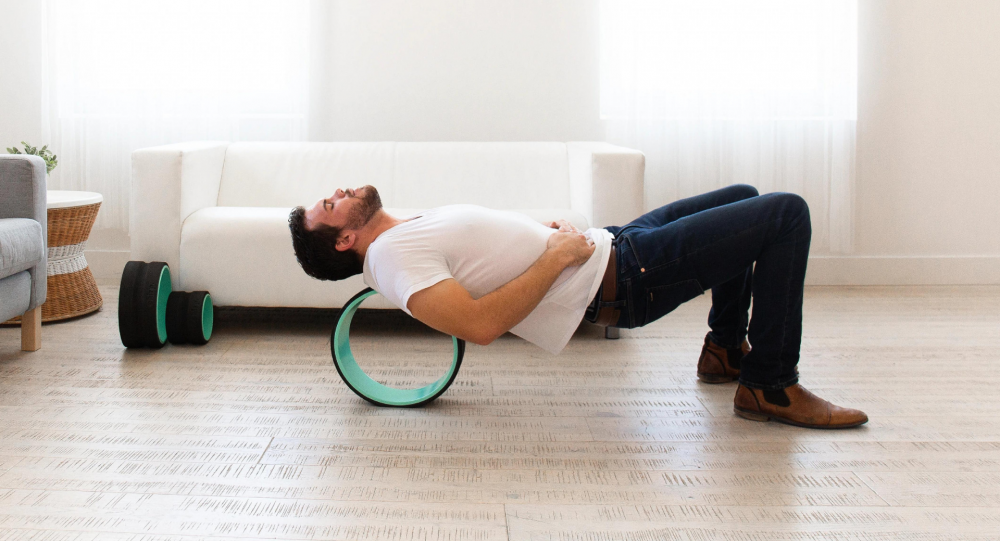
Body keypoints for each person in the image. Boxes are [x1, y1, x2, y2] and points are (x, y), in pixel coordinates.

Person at [288, 184, 868, 429]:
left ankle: (723, 352)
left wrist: (537, 232)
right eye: (329, 205)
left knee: (744, 198)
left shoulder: (399, 231)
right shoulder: (390, 260)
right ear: (344, 241)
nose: (338, 192)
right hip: (620, 278)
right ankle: (770, 385)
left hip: (612, 243)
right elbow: (482, 325)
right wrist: (555, 256)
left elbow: (480, 254)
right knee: (785, 213)